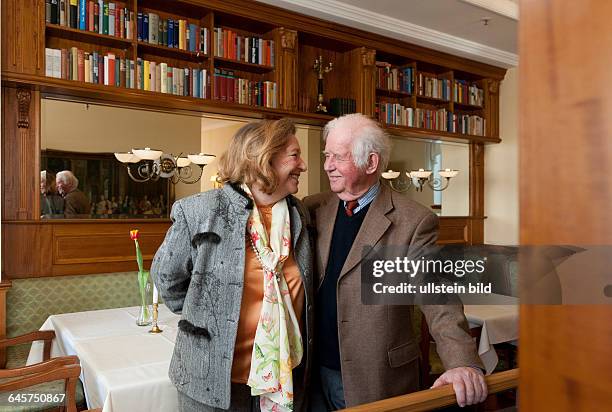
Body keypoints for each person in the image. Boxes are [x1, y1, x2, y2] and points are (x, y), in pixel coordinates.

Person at [303, 113, 487, 410]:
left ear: (371, 162)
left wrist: (461, 362)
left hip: (375, 378)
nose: (327, 165)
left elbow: (437, 297)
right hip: (311, 374)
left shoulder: (413, 221)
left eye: (338, 157)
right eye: (327, 155)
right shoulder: (312, 208)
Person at [151, 119, 314, 412]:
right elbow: (167, 280)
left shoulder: (299, 215)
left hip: (286, 378)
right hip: (210, 381)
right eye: (294, 155)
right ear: (263, 159)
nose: (303, 165)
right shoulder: (200, 211)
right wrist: (205, 315)